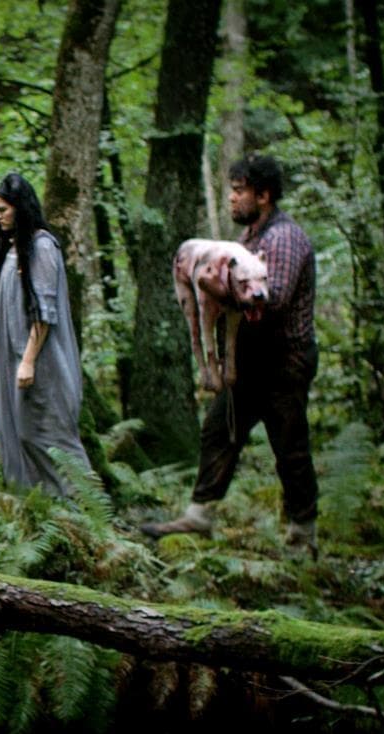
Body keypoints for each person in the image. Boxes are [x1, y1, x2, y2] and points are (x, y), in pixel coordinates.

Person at [141, 155, 319, 552]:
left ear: (263, 195)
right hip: (252, 361)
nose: (232, 199)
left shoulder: (281, 239)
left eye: (239, 191)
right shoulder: (249, 240)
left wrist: (215, 290)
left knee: (289, 447)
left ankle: (304, 537)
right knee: (219, 431)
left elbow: (271, 301)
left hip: (285, 360)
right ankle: (200, 515)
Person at [0, 173, 94, 494]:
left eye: (3, 210)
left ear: (20, 208)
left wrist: (28, 360)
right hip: (16, 357)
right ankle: (45, 505)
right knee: (20, 433)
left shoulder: (42, 246)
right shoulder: (15, 248)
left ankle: (88, 505)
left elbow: (44, 311)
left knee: (50, 433)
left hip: (41, 360)